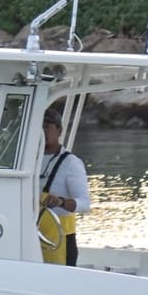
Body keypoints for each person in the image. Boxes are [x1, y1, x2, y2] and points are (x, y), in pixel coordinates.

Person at [38, 108, 91, 266]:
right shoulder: (27, 160)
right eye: (39, 126)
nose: (43, 131)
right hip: (31, 236)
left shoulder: (71, 163)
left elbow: (85, 204)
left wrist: (61, 202)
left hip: (61, 242)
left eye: (47, 126)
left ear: (59, 130)